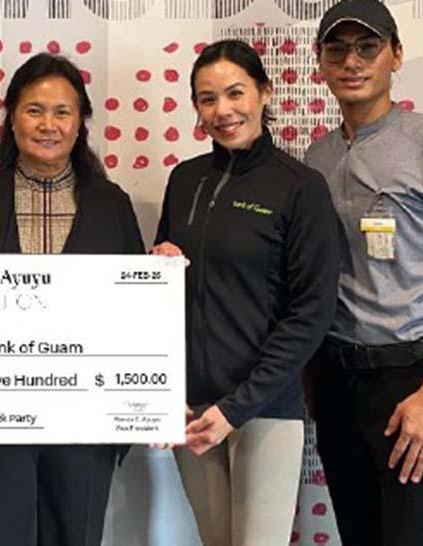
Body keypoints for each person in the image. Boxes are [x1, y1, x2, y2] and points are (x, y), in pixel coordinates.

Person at [304, 0, 423, 546]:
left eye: (368, 47)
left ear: (396, 55)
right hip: (339, 383)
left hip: (414, 380)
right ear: (320, 63)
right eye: (337, 50)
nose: (352, 61)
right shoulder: (316, 159)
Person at [0, 52, 145, 546]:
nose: (48, 125)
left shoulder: (112, 205)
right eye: (34, 110)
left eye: (62, 112)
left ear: (80, 122)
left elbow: (138, 314)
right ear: (11, 117)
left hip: (86, 422)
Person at [152, 39, 341, 546]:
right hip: (193, 408)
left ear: (264, 92)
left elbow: (312, 311)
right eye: (207, 98)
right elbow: (168, 291)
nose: (223, 110)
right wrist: (158, 266)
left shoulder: (300, 187)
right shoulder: (184, 180)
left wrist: (238, 407)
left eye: (235, 93)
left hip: (264, 408)